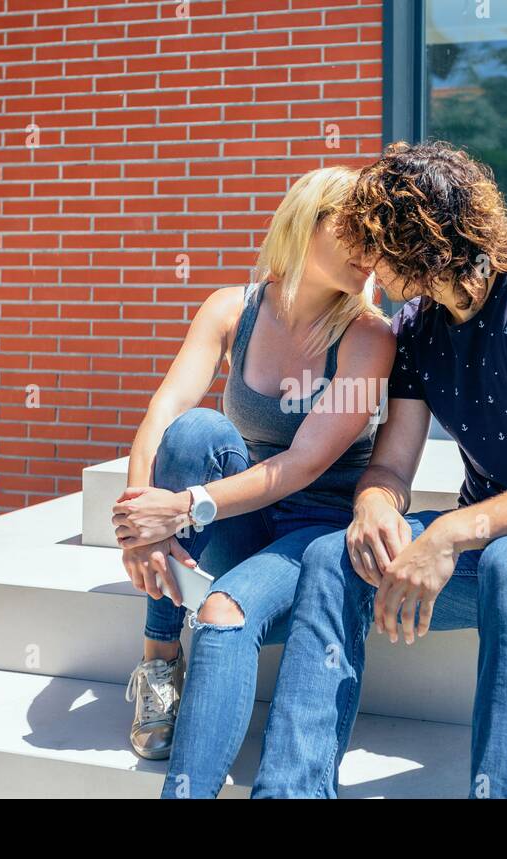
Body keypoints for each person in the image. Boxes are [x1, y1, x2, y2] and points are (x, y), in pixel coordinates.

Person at [251, 142, 507, 799]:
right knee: (333, 558)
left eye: (375, 244)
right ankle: (290, 790)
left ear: (415, 244)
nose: (366, 262)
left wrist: (449, 533)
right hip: (494, 542)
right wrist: (375, 505)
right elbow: (390, 461)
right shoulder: (416, 327)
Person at [111, 166, 395, 798]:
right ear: (306, 221)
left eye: (379, 235)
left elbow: (303, 465)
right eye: (356, 229)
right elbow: (162, 412)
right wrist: (138, 522)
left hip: (310, 531)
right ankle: (160, 660)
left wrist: (181, 507)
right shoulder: (230, 308)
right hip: (236, 517)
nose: (372, 248)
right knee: (195, 433)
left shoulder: (369, 335)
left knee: (223, 614)